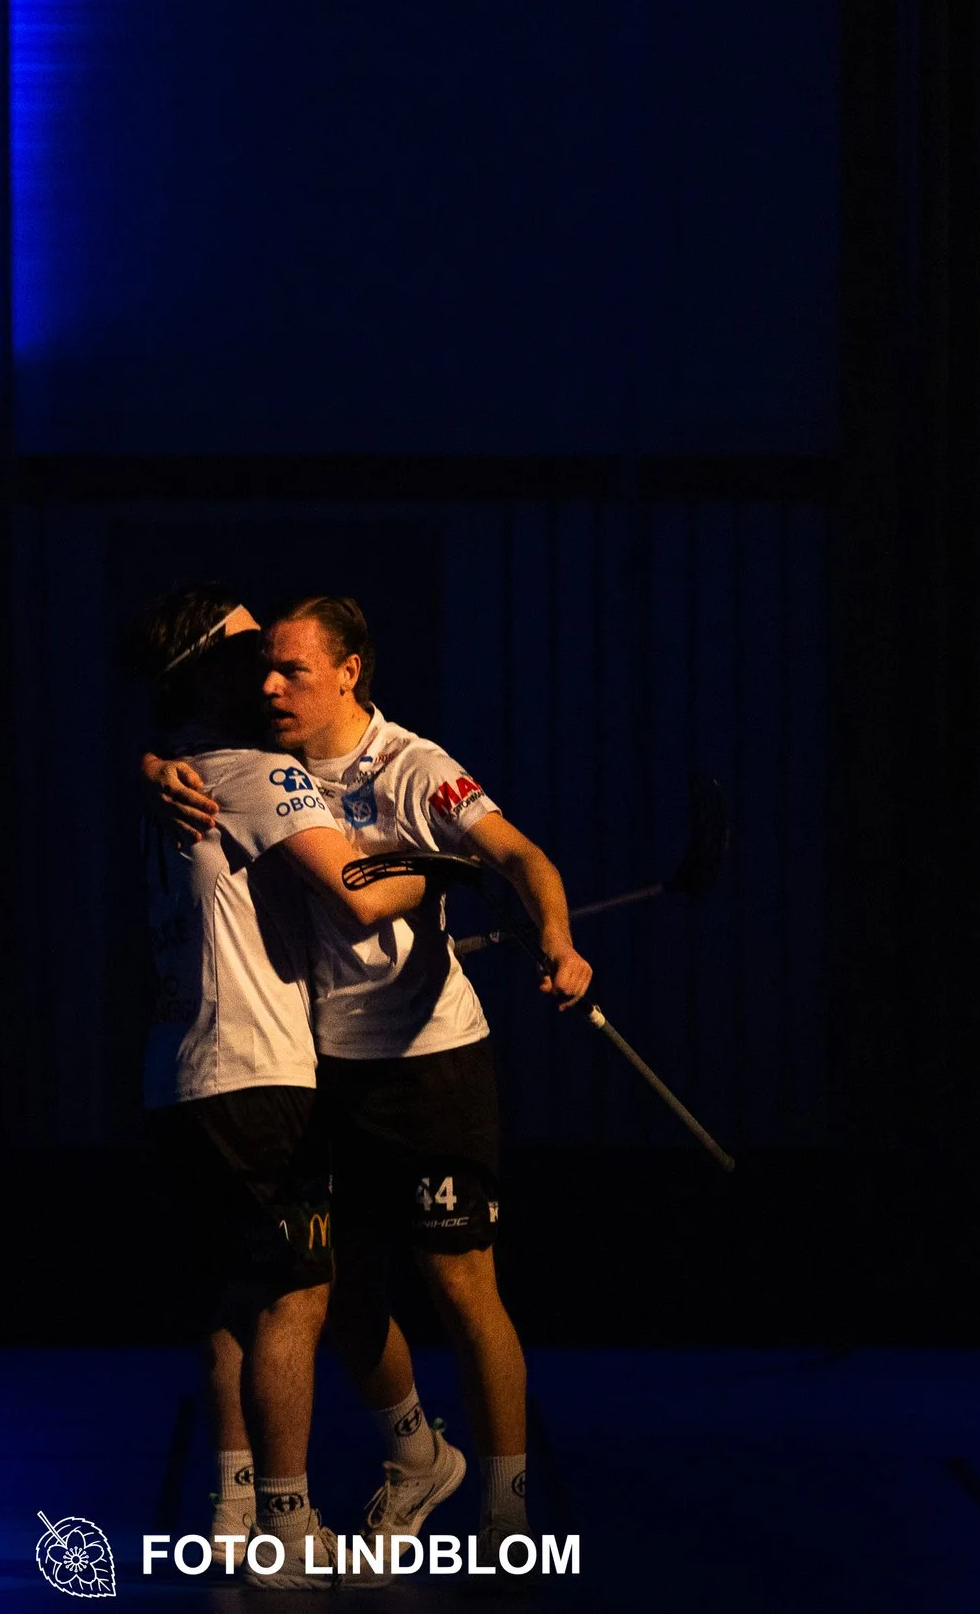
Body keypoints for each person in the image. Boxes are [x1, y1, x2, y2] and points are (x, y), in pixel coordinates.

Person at [147, 594, 591, 1561]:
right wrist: (147, 766)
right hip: (324, 1068)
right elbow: (194, 755)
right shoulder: (260, 763)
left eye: (292, 670)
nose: (270, 685)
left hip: (432, 1062)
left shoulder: (413, 766)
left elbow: (519, 854)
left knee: (460, 1283)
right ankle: (415, 1455)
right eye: (262, 667)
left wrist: (557, 938)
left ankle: (507, 1512)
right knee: (331, 1290)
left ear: (350, 672)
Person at [127, 583, 428, 1588]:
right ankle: (290, 1528)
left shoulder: (171, 778)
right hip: (256, 1073)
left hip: (175, 1074)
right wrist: (440, 866)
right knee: (298, 1296)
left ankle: (232, 1508)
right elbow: (359, 896)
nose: (266, 670)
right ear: (203, 670)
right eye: (247, 651)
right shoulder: (256, 774)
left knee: (235, 1297)